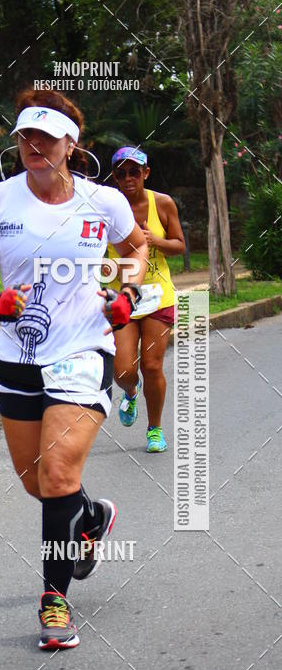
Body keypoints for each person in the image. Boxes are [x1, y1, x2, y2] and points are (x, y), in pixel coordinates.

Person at [0, 90, 148, 650]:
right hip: (18, 356)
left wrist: (127, 290)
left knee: (57, 474)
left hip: (84, 351)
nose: (33, 147)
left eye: (46, 138)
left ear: (71, 144)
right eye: (24, 138)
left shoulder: (102, 202)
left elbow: (136, 249)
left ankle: (54, 601)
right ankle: (90, 516)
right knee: (36, 481)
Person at [108, 146, 186, 452]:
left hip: (157, 295)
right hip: (123, 296)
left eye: (134, 172)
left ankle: (154, 430)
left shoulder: (162, 203)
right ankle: (130, 391)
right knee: (124, 370)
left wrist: (156, 241)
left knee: (152, 366)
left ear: (146, 173)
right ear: (114, 177)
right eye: (121, 173)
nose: (128, 179)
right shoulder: (108, 207)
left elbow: (179, 245)